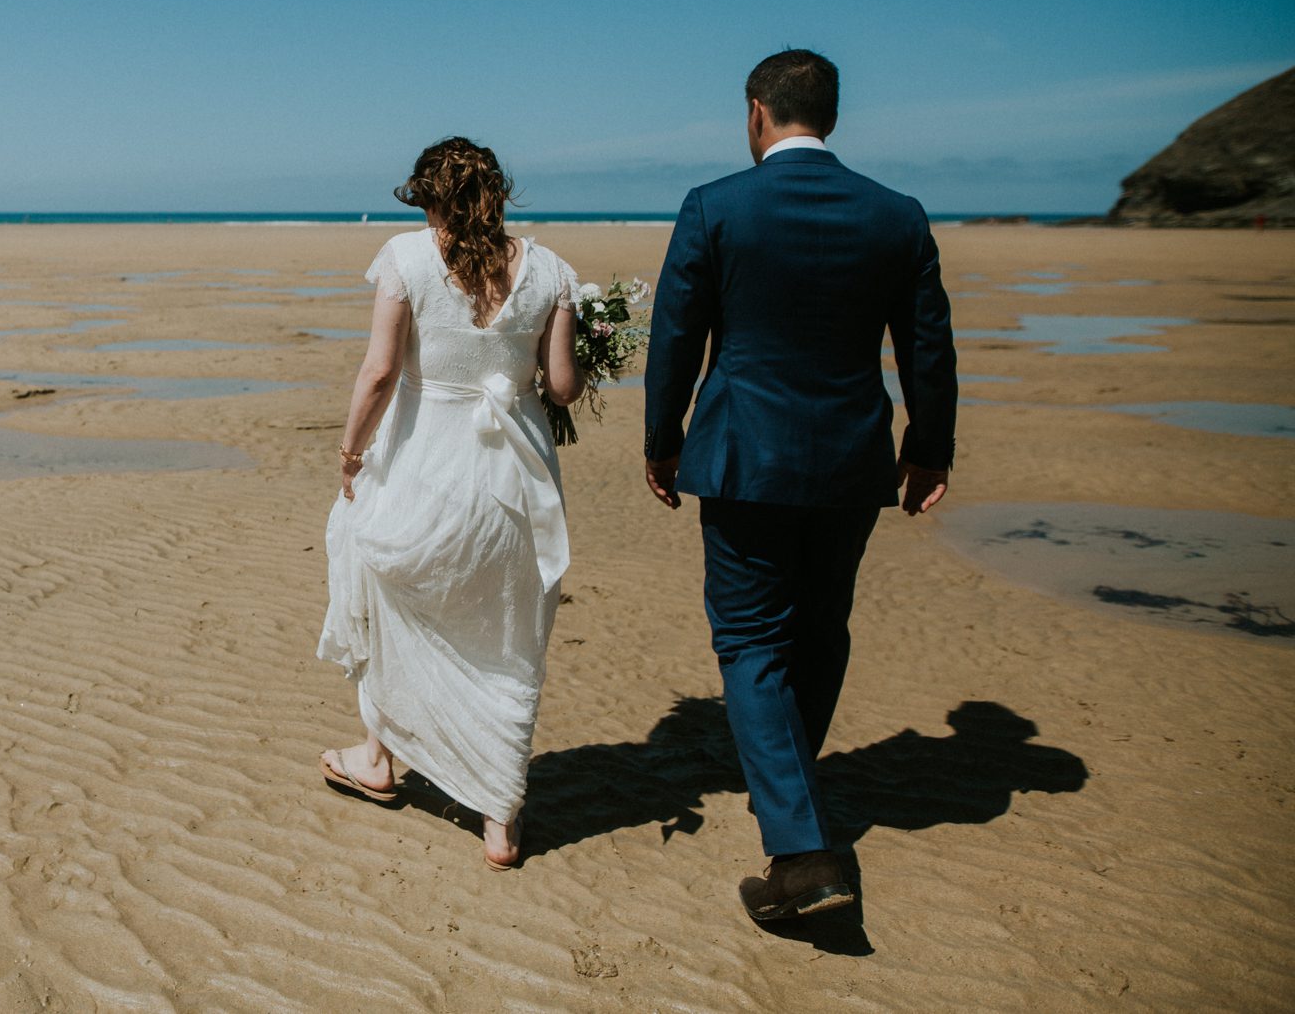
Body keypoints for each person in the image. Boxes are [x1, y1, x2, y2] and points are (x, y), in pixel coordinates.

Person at [642, 48, 958, 922]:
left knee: (749, 640)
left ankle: (801, 853)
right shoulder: (896, 215)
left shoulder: (715, 206)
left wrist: (661, 442)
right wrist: (930, 449)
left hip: (743, 456)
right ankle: (789, 791)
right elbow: (926, 346)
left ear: (756, 112)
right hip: (852, 459)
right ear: (832, 115)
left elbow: (675, 337)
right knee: (820, 630)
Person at [317, 137, 585, 870]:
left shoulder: (405, 259)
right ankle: (500, 822)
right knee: (506, 637)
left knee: (389, 585)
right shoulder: (552, 269)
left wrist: (349, 453)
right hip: (515, 485)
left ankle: (377, 757)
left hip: (424, 465)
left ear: (427, 196)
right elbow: (560, 387)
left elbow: (378, 373)